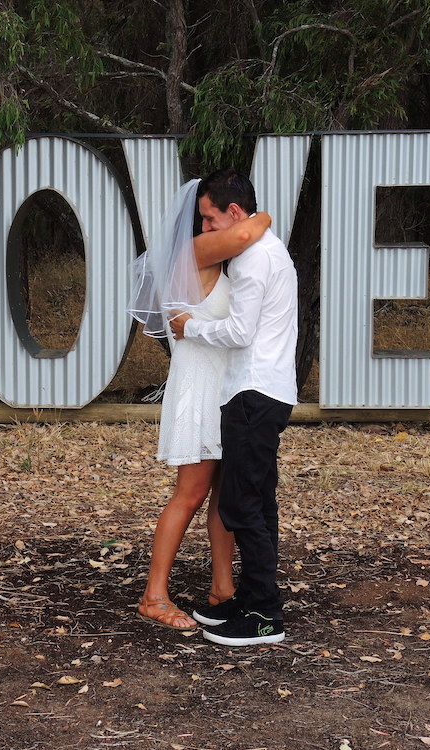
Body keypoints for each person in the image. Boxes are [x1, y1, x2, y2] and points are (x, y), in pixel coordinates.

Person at [129, 179, 272, 630]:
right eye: (205, 217)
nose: (209, 224)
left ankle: (223, 588)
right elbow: (248, 232)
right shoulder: (196, 250)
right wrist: (262, 217)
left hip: (224, 385)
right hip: (199, 385)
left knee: (223, 495)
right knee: (189, 493)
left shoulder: (215, 253)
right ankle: (153, 596)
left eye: (213, 218)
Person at [170, 168, 298, 646]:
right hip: (270, 388)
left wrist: (191, 328)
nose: (205, 231)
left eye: (209, 220)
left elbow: (240, 333)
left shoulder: (249, 260)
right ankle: (249, 599)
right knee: (257, 503)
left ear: (235, 214)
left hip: (251, 392)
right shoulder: (272, 249)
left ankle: (264, 617)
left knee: (242, 505)